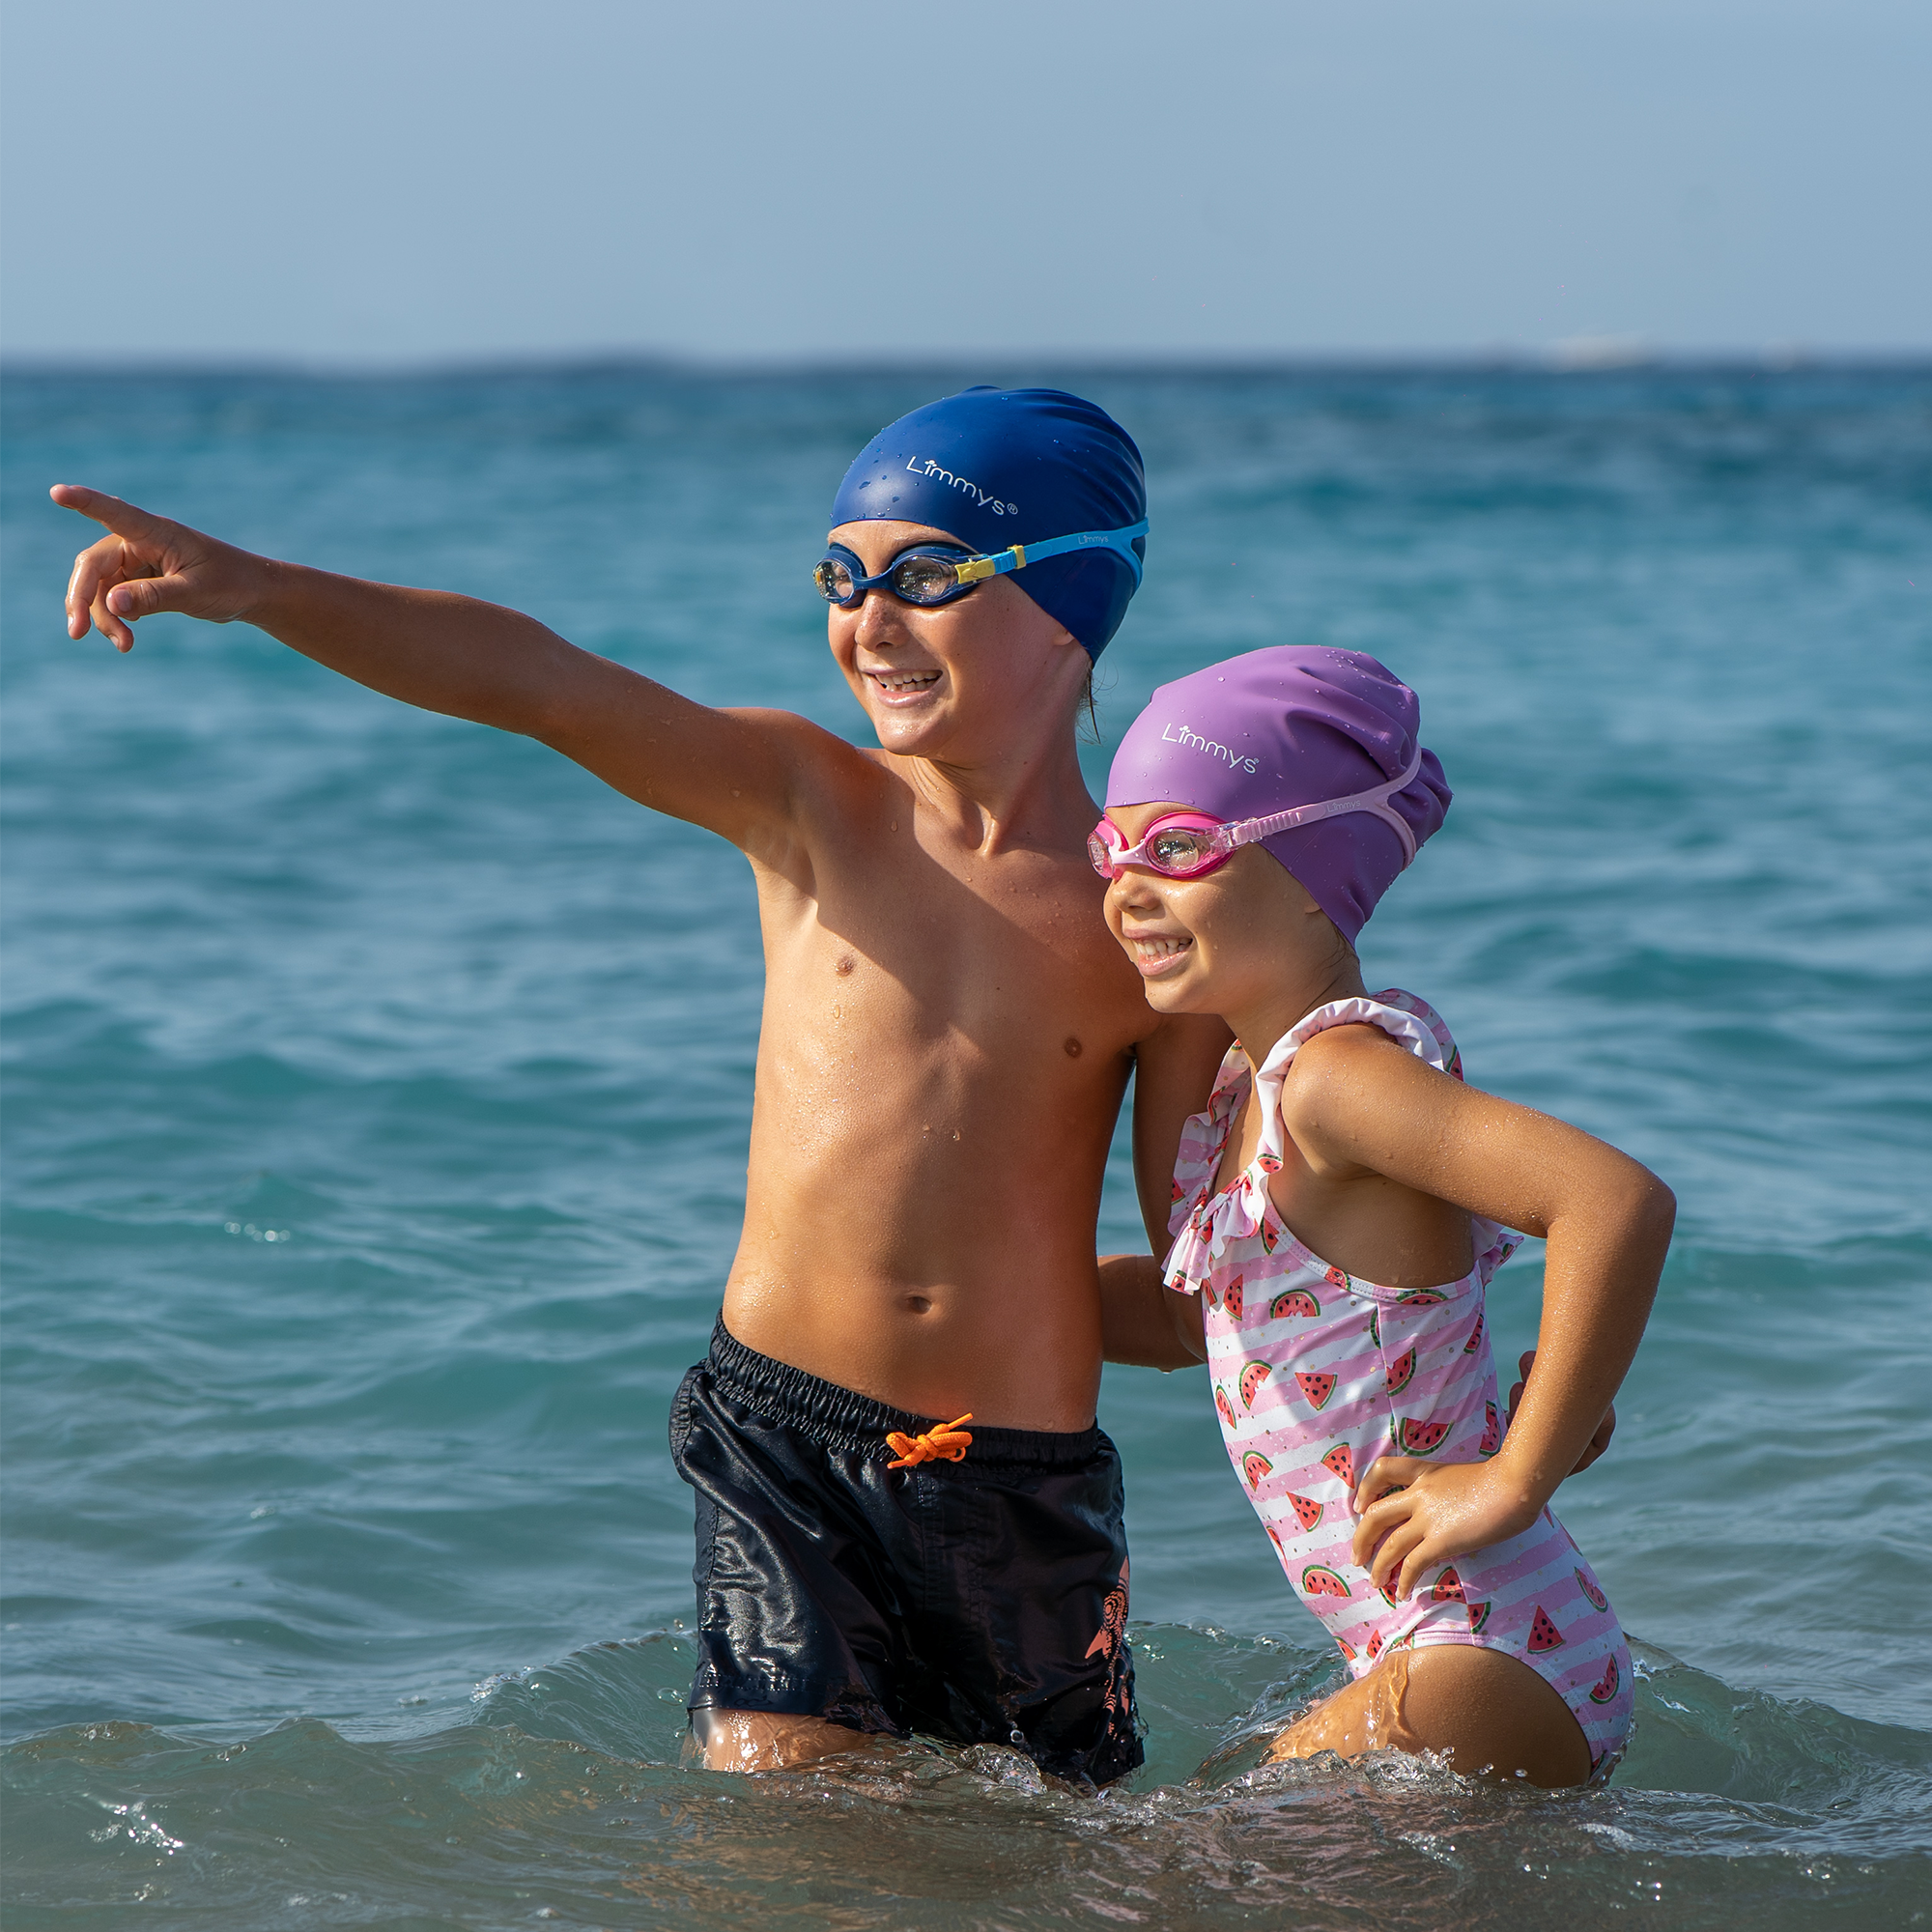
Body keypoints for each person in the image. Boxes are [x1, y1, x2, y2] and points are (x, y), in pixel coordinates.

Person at [52, 386, 1234, 1784]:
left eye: (925, 577)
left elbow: (1201, 1279)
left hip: (1016, 1476)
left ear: (1069, 602)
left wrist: (1435, 1388)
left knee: (1049, 1844)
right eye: (842, 580)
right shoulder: (813, 806)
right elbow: (537, 681)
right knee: (779, 1802)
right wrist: (262, 590)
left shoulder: (1147, 923)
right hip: (785, 1437)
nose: (871, 621)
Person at [1093, 645, 1672, 1785]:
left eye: (1177, 848)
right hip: (1473, 1643)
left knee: (1157, 1878)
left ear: (1314, 864)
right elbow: (1196, 1325)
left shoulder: (1332, 1079)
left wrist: (1516, 1473)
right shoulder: (1243, 1094)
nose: (1125, 885)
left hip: (1476, 1648)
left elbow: (1611, 1199)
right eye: (1108, 850)